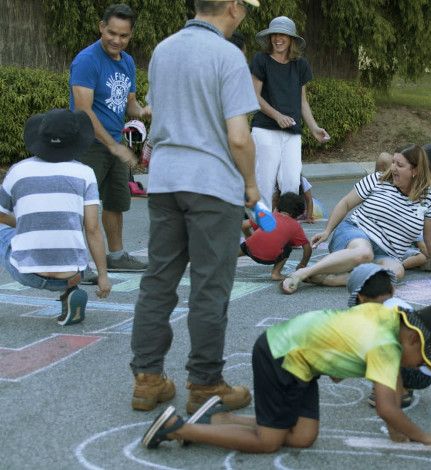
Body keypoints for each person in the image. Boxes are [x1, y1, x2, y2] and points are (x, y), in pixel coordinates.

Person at [129, 0, 261, 414]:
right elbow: (238, 137)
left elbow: (156, 110)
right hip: (212, 184)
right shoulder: (228, 55)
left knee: (158, 280)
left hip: (166, 180)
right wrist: (252, 184)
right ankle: (204, 384)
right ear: (235, 8)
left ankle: (147, 379)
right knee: (209, 286)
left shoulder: (164, 49)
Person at [141, 299, 431, 452]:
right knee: (269, 442)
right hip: (282, 355)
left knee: (303, 436)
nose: (420, 365)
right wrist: (422, 436)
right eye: (424, 359)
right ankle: (177, 430)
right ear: (413, 338)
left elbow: (392, 384)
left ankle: (215, 421)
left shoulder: (390, 318)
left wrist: (395, 433)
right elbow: (388, 406)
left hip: (302, 361)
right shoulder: (387, 347)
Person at [280, 145, 431, 294]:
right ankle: (303, 273)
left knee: (395, 272)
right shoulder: (378, 180)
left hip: (387, 252)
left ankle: (330, 279)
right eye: (393, 163)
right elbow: (345, 203)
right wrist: (327, 230)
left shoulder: (430, 198)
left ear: (415, 170)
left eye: (399, 165)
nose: (392, 168)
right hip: (355, 233)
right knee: (363, 253)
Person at [0, 109, 111, 326]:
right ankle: (70, 292)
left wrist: (21, 223)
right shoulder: (85, 173)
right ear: (76, 141)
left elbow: (2, 216)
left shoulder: (17, 171)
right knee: (69, 235)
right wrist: (103, 277)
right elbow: (92, 229)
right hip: (73, 274)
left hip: (28, 274)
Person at [69, 3, 150, 274]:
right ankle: (77, 263)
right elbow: (83, 110)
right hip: (87, 144)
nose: (117, 40)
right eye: (112, 33)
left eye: (124, 35)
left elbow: (130, 104)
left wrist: (144, 110)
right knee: (81, 205)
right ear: (102, 27)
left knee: (115, 202)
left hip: (115, 144)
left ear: (131, 35)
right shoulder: (87, 60)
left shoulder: (127, 62)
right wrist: (115, 147)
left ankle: (116, 256)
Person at [251, 16, 330, 209]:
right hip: (265, 130)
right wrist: (277, 116)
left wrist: (314, 127)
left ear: (291, 39)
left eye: (283, 35)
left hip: (292, 133)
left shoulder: (300, 65)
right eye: (274, 35)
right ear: (270, 38)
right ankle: (262, 233)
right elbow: (254, 97)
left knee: (292, 184)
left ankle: (284, 233)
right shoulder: (261, 60)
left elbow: (302, 101)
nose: (278, 39)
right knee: (264, 184)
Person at [346, 264, 431, 408]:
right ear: (392, 289)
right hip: (430, 368)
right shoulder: (399, 305)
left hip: (414, 369)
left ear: (360, 298)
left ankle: (397, 392)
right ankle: (404, 386)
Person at [240, 192, 312, 280]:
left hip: (250, 250)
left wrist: (248, 236)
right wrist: (302, 264)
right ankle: (276, 273)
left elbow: (243, 225)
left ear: (277, 206)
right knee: (287, 247)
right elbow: (307, 247)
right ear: (299, 213)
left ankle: (225, 258)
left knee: (247, 244)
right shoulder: (295, 225)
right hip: (271, 258)